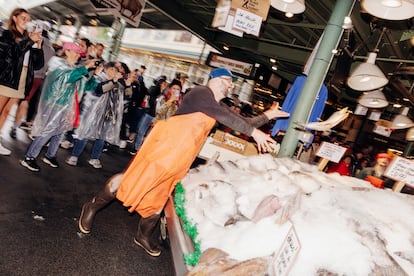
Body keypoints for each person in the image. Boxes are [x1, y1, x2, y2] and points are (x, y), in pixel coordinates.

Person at [77, 68, 289, 257]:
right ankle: (92, 207)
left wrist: (267, 115)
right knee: (131, 181)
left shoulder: (216, 104)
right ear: (214, 79)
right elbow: (232, 120)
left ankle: (142, 236)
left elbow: (241, 121)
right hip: (164, 148)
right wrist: (255, 134)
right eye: (227, 80)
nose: (231, 85)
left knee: (159, 196)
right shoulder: (201, 93)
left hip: (180, 155)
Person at [20, 42, 99, 172]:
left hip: (67, 105)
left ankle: (50, 155)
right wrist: (85, 68)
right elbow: (67, 77)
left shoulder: (73, 67)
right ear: (67, 51)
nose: (78, 56)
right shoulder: (58, 63)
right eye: (76, 53)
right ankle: (29, 157)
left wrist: (94, 74)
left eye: (79, 54)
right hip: (54, 104)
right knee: (48, 130)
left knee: (60, 130)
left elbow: (88, 87)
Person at [65, 61, 127, 169]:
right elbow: (100, 89)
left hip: (107, 114)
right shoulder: (99, 77)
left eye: (116, 70)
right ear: (106, 69)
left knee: (102, 136)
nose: (114, 72)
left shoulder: (116, 83)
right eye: (112, 69)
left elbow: (117, 99)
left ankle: (94, 158)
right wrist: (113, 81)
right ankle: (74, 156)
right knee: (85, 134)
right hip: (92, 113)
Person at [0, 8, 43, 155]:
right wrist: (30, 40)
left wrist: (38, 46)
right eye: (23, 17)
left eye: (28, 18)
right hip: (8, 76)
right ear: (14, 18)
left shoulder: (28, 37)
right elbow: (11, 54)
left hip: (22, 77)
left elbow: (38, 65)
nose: (26, 21)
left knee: (6, 112)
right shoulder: (7, 35)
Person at [10, 27, 55, 138]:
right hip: (39, 78)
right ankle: (21, 125)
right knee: (28, 101)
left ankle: (14, 127)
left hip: (27, 74)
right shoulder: (52, 50)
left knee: (19, 100)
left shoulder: (33, 42)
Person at [129, 75, 168, 155]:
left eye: (165, 84)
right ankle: (136, 148)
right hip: (149, 114)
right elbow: (150, 102)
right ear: (159, 84)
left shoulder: (166, 95)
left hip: (157, 117)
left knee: (150, 134)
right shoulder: (154, 90)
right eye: (163, 83)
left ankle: (142, 149)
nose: (165, 85)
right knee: (140, 131)